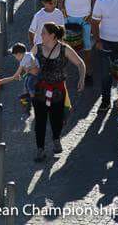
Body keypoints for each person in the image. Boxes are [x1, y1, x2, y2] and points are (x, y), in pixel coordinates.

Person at [29, 23, 86, 162]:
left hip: (58, 91)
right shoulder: (37, 48)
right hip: (41, 90)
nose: (40, 35)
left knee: (57, 119)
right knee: (40, 121)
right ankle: (40, 149)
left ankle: (56, 139)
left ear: (52, 35)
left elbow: (80, 63)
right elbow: (27, 63)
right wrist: (28, 70)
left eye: (43, 33)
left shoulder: (64, 49)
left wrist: (82, 78)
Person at [60, 0, 99, 83]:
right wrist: (62, 8)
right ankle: (62, 73)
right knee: (64, 46)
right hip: (69, 16)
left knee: (87, 47)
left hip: (85, 17)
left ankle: (87, 73)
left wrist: (92, 13)